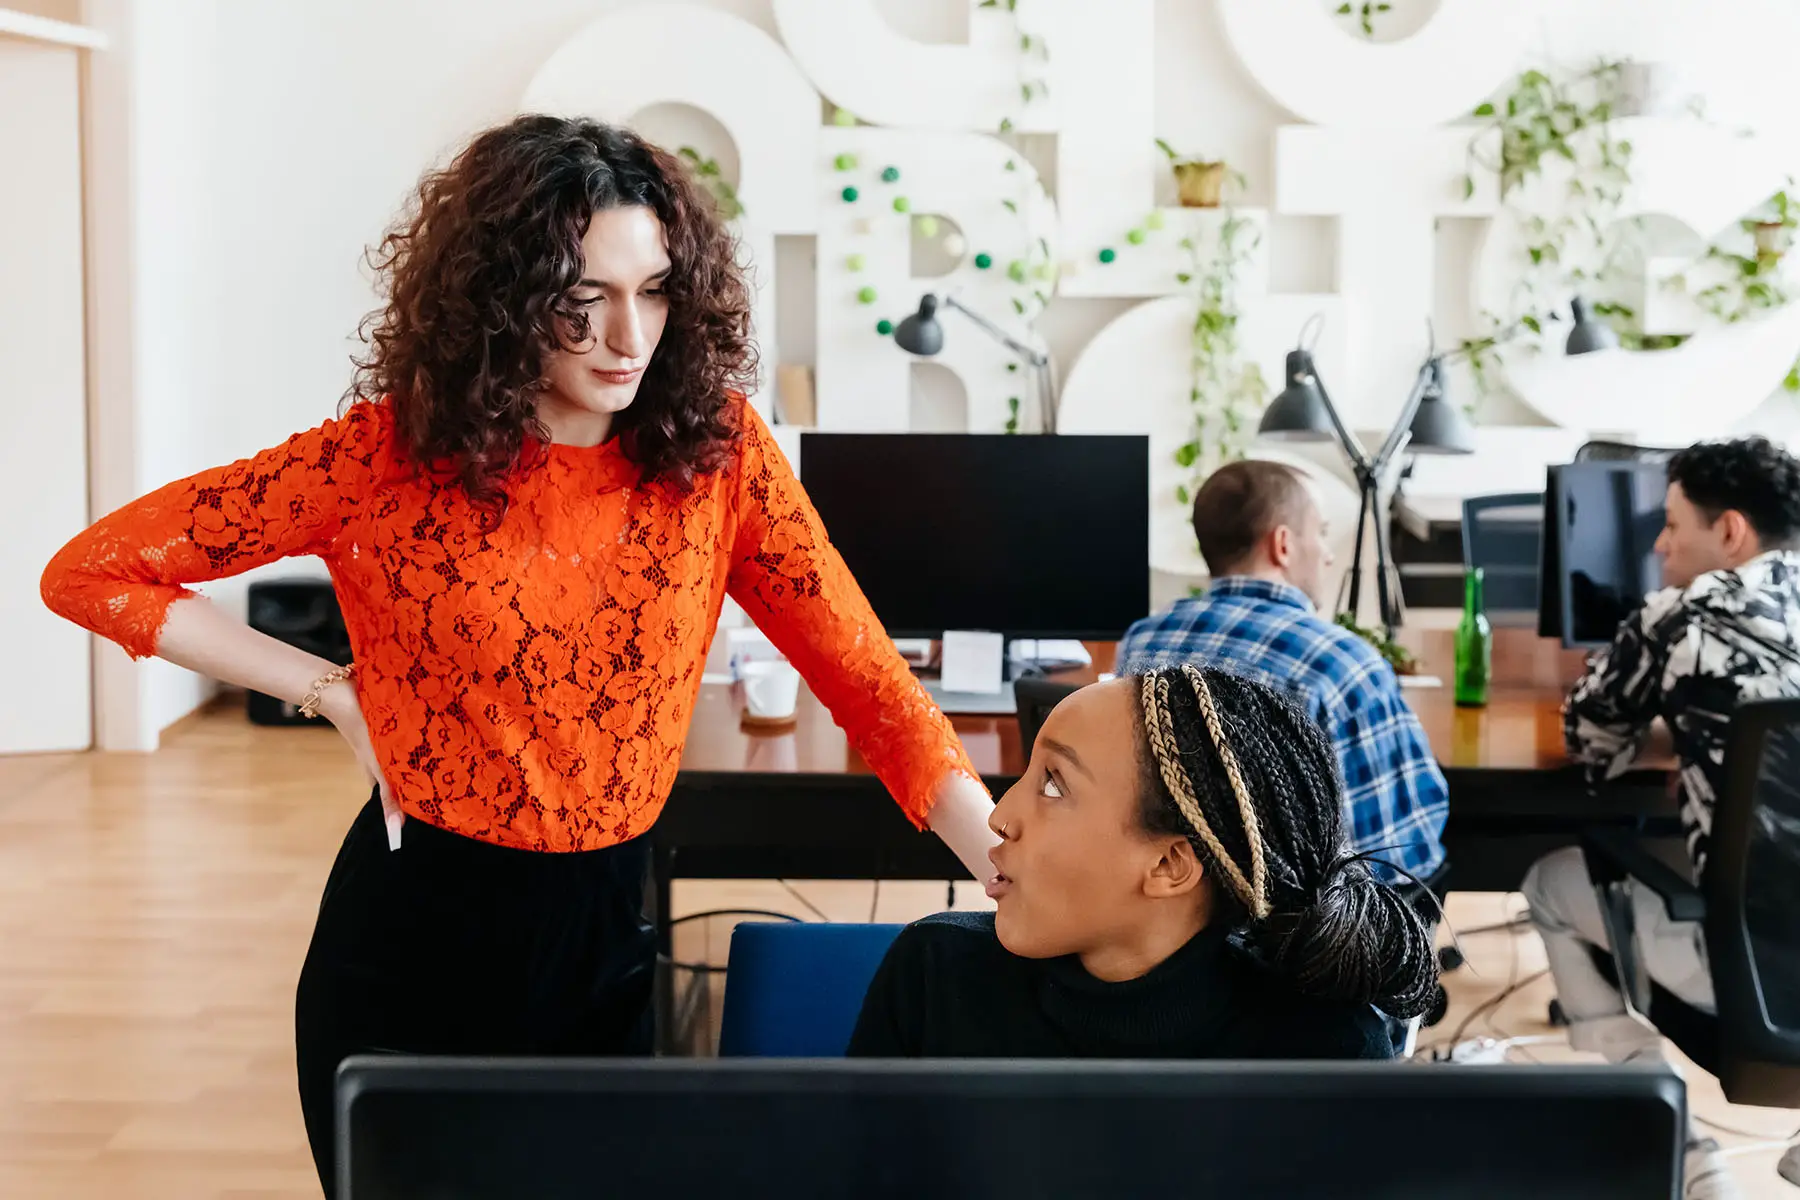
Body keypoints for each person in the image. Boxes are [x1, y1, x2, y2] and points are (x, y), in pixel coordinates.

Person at [39, 115, 997, 1194]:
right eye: (580, 299)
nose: (627, 335)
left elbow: (863, 672)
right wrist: (330, 692)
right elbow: (91, 571)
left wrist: (997, 852)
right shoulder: (385, 458)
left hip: (606, 946)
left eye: (655, 289)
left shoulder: (719, 455)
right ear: (501, 297)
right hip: (409, 950)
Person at [848, 665, 1439, 1058]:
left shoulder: (1326, 1048)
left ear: (1169, 865)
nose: (999, 817)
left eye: (1053, 785)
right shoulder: (933, 977)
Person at [1524, 437, 1800, 1200]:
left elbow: (1593, 742)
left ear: (1732, 533)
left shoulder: (1681, 617)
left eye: (1673, 523)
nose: (1658, 543)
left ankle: (1682, 1147)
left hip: (1747, 970)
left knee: (1548, 883)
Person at [1115, 459, 1448, 883]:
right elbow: (1400, 849)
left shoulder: (1142, 642)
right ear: (1283, 545)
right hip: (1305, 938)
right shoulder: (1341, 665)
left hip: (1177, 911)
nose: (1327, 555)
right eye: (1322, 533)